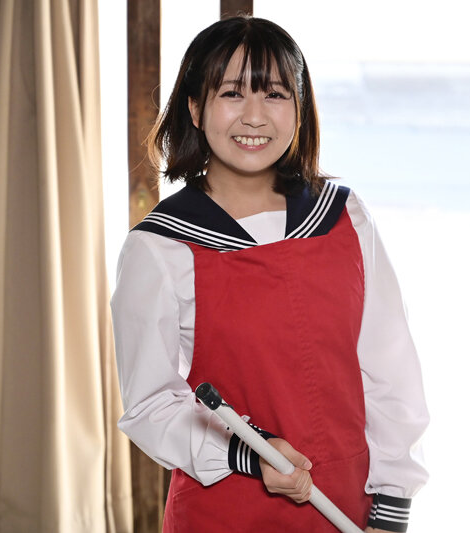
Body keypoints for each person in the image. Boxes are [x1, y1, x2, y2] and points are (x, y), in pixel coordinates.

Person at [111, 15, 428, 533]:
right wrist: (246, 452)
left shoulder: (346, 217)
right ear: (195, 108)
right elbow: (150, 404)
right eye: (232, 93)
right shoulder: (159, 247)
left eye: (275, 95)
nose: (254, 117)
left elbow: (391, 372)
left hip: (346, 504)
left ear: (299, 109)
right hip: (223, 512)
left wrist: (392, 507)